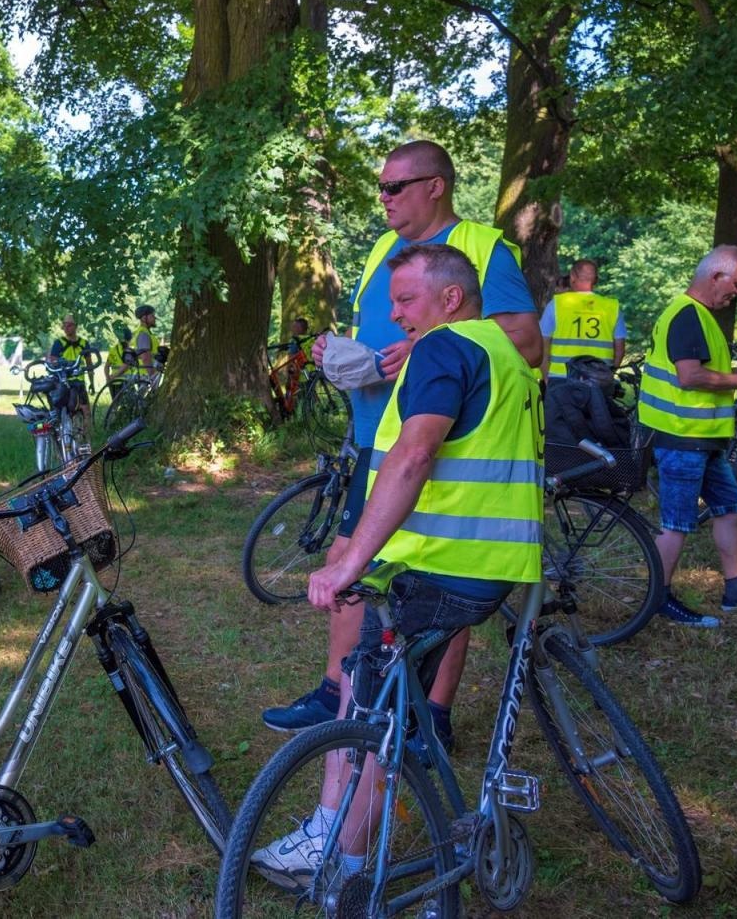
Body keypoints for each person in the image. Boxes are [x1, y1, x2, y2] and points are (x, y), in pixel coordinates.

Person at [252, 243, 543, 878]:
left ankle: (341, 853)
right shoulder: (506, 355)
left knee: (363, 704)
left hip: (437, 564)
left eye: (406, 299)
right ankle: (371, 826)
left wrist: (348, 561)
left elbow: (413, 457)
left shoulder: (444, 348)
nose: (395, 314)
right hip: (496, 564)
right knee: (391, 695)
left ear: (451, 298)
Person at [265, 139, 541, 738]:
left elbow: (525, 341)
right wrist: (337, 351)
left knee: (433, 584)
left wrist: (427, 348)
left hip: (442, 445)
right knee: (354, 564)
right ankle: (339, 694)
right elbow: (381, 330)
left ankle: (428, 717)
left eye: (394, 186)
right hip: (377, 434)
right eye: (380, 188)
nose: (383, 198)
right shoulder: (383, 250)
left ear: (435, 186)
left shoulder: (482, 248)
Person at [639, 245, 737, 627]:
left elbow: (703, 371)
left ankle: (736, 592)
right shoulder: (688, 315)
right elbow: (689, 376)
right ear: (715, 277)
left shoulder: (698, 315)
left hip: (701, 439)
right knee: (677, 523)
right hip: (682, 439)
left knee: (730, 507)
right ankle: (656, 600)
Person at [542, 258, 626, 379]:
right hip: (598, 379)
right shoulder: (612, 307)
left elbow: (543, 345)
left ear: (572, 276)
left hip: (561, 378)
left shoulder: (556, 304)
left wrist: (546, 377)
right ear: (596, 280)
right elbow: (620, 350)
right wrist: (609, 375)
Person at [46, 315, 93, 415]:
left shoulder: (84, 343)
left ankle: (85, 425)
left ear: (75, 326)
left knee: (86, 412)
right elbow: (53, 363)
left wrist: (91, 382)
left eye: (69, 325)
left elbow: (90, 365)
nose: (66, 328)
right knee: (64, 410)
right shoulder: (59, 343)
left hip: (80, 382)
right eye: (64, 325)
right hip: (64, 382)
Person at [129, 304, 159, 379]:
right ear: (144, 318)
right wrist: (152, 375)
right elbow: (145, 357)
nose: (155, 318)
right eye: (152, 316)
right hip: (147, 376)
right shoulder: (143, 334)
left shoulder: (146, 332)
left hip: (146, 374)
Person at [105, 325, 134, 399]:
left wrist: (108, 379)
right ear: (129, 338)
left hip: (113, 383)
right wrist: (114, 376)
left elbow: (106, 367)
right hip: (125, 382)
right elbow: (125, 366)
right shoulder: (128, 350)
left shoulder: (113, 349)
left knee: (115, 405)